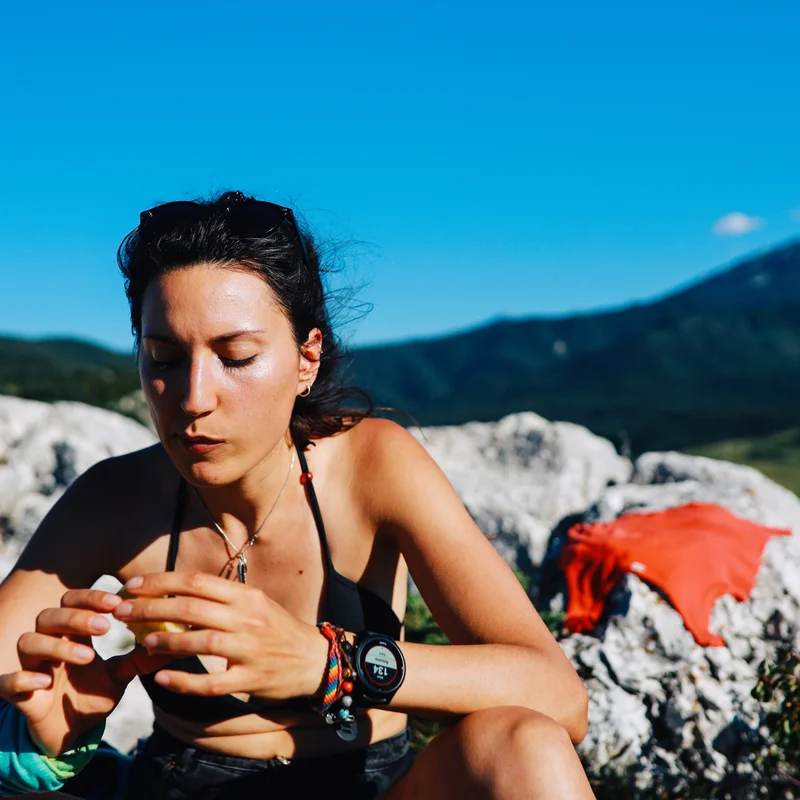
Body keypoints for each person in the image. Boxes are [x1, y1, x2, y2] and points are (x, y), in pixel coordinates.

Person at [0, 191, 594, 799]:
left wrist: (327, 662)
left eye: (237, 357)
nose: (194, 398)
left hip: (369, 785)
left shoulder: (373, 466)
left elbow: (558, 696)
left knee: (525, 744)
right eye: (164, 358)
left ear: (306, 359)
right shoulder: (116, 498)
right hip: (184, 784)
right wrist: (41, 745)